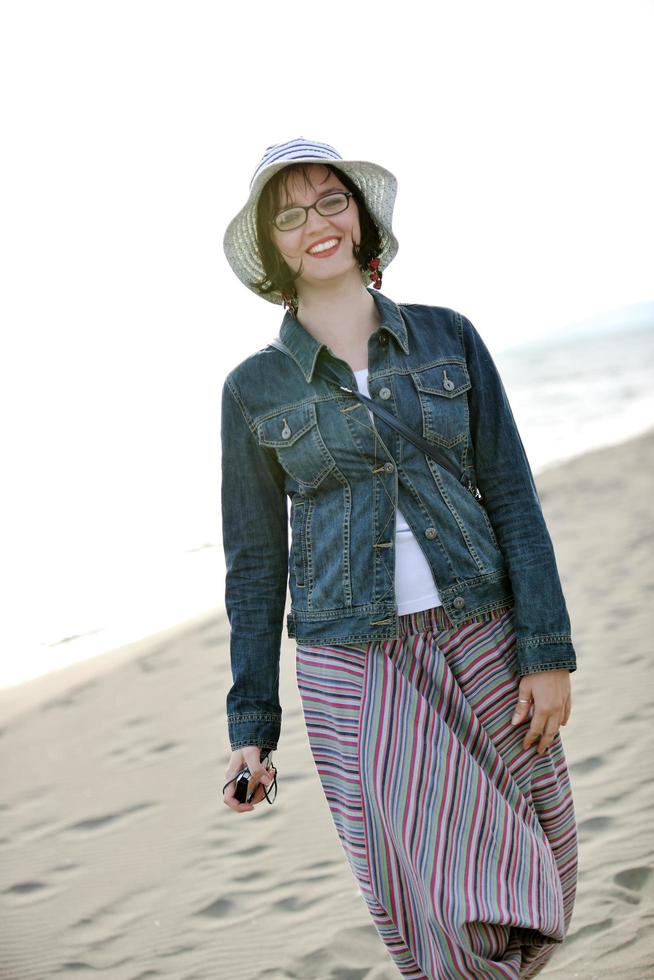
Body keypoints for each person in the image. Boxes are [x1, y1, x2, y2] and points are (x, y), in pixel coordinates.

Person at [220, 137, 578, 979]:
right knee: (426, 876)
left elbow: (513, 497)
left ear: (361, 214)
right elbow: (254, 564)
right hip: (352, 658)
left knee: (539, 851)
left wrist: (546, 651)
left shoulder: (449, 338)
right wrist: (252, 728)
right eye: (291, 213)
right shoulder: (254, 388)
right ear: (274, 245)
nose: (317, 223)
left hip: (481, 630)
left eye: (331, 200)